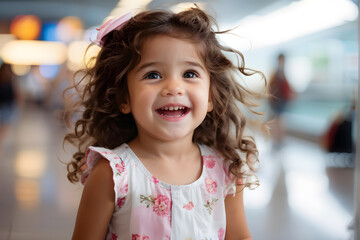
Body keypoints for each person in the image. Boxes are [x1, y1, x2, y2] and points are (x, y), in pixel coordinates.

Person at [64, 6, 265, 240]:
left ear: (210, 96)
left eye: (189, 74)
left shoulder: (225, 171)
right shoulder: (112, 174)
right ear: (124, 98)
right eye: (153, 75)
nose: (173, 87)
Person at [268, 53, 295, 147]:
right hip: (277, 101)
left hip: (280, 101)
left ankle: (278, 140)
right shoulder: (278, 73)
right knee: (278, 121)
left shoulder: (281, 72)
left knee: (279, 121)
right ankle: (277, 140)